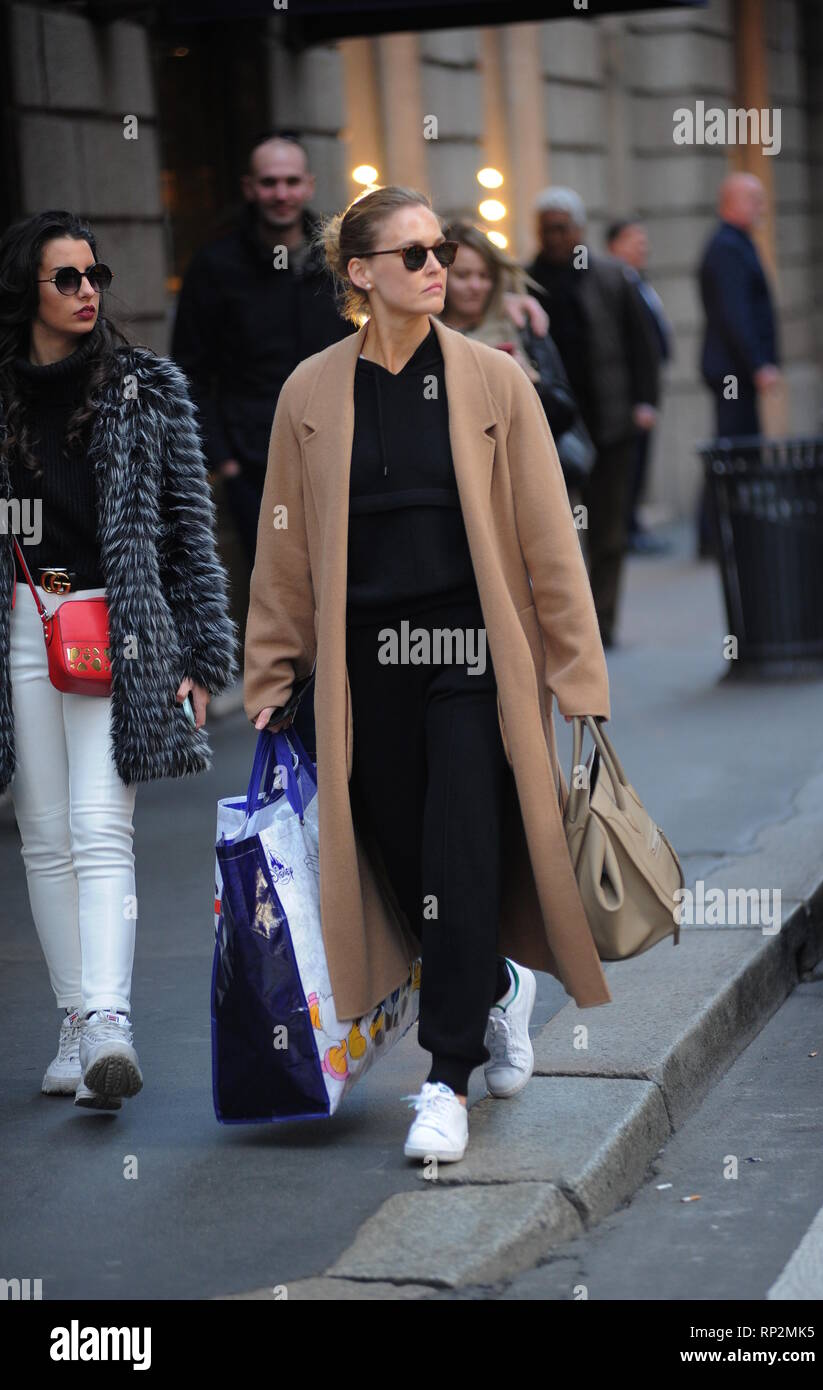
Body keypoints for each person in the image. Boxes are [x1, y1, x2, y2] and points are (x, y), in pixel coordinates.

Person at [243, 185, 612, 1164]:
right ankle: (494, 987)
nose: (434, 266)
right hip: (362, 675)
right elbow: (280, 548)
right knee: (402, 866)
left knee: (458, 849)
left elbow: (546, 542)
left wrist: (577, 677)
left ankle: (443, 1078)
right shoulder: (310, 395)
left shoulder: (493, 383)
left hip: (470, 657)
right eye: (410, 255)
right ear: (360, 275)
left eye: (438, 250)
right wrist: (271, 674)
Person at [172, 133, 549, 756]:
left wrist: (500, 296)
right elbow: (280, 567)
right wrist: (226, 458)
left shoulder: (473, 370)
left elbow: (547, 537)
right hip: (262, 461)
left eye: (292, 181)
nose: (282, 193)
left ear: (309, 187)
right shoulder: (219, 269)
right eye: (269, 182)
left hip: (457, 625)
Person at [0, 211, 237, 1111]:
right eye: (66, 277)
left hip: (119, 622)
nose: (88, 289)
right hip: (24, 620)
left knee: (101, 827)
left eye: (94, 272)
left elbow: (188, 530)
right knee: (44, 833)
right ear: (29, 289)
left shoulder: (145, 388)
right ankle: (72, 1023)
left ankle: (109, 1020)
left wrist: (202, 650)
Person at [526, 187, 660, 647]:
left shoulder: (609, 277)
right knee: (557, 534)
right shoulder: (526, 283)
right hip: (551, 427)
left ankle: (602, 624)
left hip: (609, 422)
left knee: (607, 531)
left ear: (579, 230)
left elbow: (643, 345)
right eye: (546, 228)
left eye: (562, 228)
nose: (554, 236)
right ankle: (567, 625)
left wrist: (645, 402)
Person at [697, 172, 780, 557]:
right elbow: (736, 314)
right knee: (731, 450)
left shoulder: (736, 242)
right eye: (754, 199)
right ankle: (716, 533)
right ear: (731, 202)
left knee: (737, 450)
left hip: (736, 368)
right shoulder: (727, 247)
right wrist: (757, 363)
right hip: (732, 370)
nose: (761, 208)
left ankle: (727, 529)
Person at [439, 218, 579, 442]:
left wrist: (531, 382)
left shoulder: (520, 323)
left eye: (484, 276)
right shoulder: (426, 336)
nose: (475, 286)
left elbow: (563, 413)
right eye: (463, 275)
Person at [606, 218, 674, 556]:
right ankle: (627, 528)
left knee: (640, 462)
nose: (641, 249)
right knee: (629, 467)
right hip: (630, 398)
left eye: (644, 243)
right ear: (613, 246)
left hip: (645, 392)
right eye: (633, 242)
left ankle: (633, 524)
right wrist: (640, 399)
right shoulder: (615, 284)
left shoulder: (638, 282)